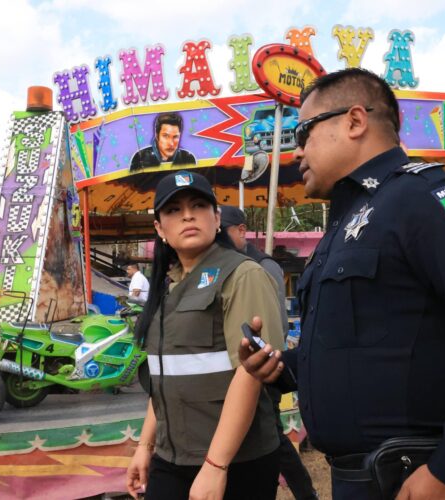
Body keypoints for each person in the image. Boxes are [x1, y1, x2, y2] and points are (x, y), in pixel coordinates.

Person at [238, 67, 445, 499]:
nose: (297, 152)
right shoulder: (349, 220)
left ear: (354, 121)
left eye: (303, 133)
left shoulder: (425, 198)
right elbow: (373, 345)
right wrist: (282, 368)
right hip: (361, 478)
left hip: (419, 477)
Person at [125, 171, 284, 500]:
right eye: (173, 210)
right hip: (173, 457)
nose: (187, 215)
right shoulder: (169, 286)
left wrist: (216, 465)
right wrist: (145, 445)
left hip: (236, 461)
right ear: (160, 229)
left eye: (198, 205)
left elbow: (251, 373)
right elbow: (166, 375)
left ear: (216, 218)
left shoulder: (242, 275)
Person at [220, 205, 318, 500]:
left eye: (222, 232)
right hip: (238, 370)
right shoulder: (223, 265)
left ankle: (304, 493)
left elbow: (276, 324)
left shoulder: (261, 267)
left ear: (241, 231)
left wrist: (264, 364)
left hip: (263, 369)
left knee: (272, 436)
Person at [130, 112, 197, 171]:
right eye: (166, 136)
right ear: (157, 135)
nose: (171, 143)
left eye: (175, 137)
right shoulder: (140, 157)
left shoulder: (188, 158)